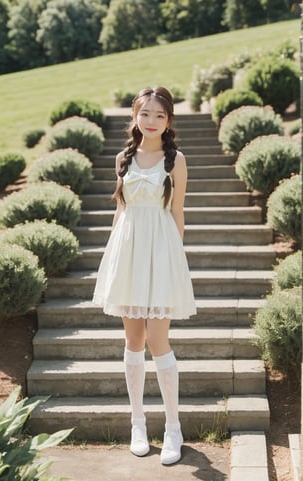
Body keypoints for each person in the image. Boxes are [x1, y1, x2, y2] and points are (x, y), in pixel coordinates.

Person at [93, 86, 196, 465]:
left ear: (168, 121)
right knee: (133, 339)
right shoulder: (124, 157)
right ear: (135, 116)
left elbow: (178, 212)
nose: (151, 121)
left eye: (159, 115)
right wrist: (112, 256)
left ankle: (173, 428)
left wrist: (177, 259)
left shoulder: (176, 160)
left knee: (158, 341)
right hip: (129, 250)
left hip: (161, 250)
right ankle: (138, 422)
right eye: (145, 113)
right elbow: (120, 211)